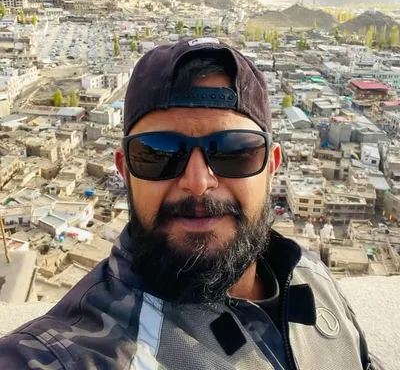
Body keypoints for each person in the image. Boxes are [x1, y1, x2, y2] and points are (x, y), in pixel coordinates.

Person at [0, 38, 384, 370]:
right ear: (125, 170)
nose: (198, 182)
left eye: (234, 152)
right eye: (159, 153)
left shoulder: (310, 276)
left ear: (272, 166)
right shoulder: (69, 353)